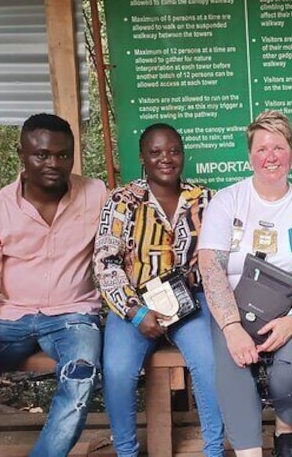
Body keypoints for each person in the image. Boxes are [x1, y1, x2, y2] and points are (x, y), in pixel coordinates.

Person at [0, 113, 106, 457]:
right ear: (22, 154)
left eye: (63, 155)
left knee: (82, 372)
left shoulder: (95, 194)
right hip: (8, 318)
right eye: (42, 154)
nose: (54, 163)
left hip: (73, 316)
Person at [93, 123, 224, 457]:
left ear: (183, 154)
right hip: (135, 304)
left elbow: (217, 255)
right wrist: (135, 313)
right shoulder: (122, 201)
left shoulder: (204, 198)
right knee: (119, 371)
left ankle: (213, 449)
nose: (166, 159)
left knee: (209, 362)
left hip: (188, 302)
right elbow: (105, 264)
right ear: (142, 157)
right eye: (156, 152)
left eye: (174, 151)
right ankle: (126, 451)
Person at [198, 111, 292, 457]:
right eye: (262, 148)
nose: (271, 156)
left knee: (289, 372)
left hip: (290, 308)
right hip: (233, 308)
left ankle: (286, 426)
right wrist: (232, 327)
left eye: (279, 148)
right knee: (233, 366)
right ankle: (249, 452)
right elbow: (211, 268)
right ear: (250, 155)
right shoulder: (228, 200)